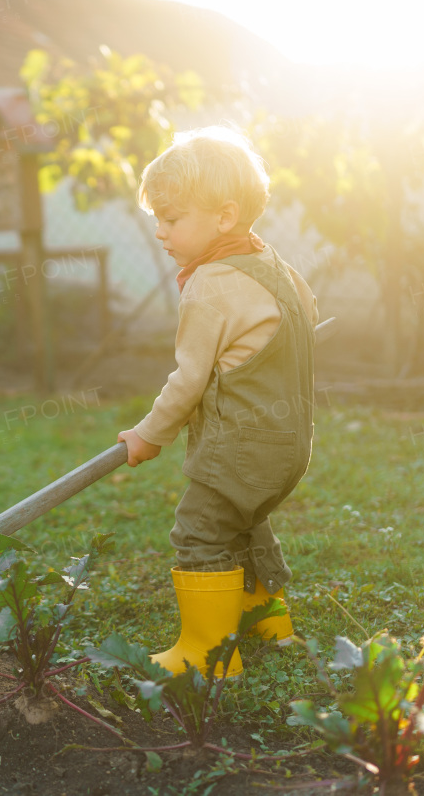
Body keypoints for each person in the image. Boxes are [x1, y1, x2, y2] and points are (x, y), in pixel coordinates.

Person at [116, 124, 318, 678]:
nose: (160, 232)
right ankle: (266, 623)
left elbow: (187, 381)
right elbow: (307, 315)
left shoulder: (210, 283)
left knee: (201, 531)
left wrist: (147, 435)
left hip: (241, 447)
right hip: (290, 446)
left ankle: (208, 653)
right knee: (246, 522)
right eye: (157, 217)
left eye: (172, 219)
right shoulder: (276, 267)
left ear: (224, 217)